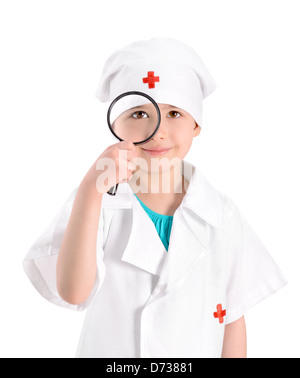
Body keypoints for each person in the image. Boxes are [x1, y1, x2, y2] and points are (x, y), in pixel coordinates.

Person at [23, 37, 287, 358]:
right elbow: (74, 292)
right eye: (138, 114)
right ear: (115, 124)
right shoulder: (98, 200)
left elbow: (231, 318)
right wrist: (92, 189)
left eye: (174, 113)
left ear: (196, 125)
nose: (157, 131)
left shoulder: (222, 215)